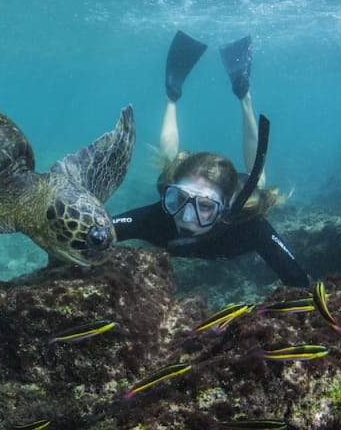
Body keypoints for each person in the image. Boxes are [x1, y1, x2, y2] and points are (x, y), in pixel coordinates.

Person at [113, 31, 309, 288]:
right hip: (182, 177)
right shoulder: (159, 216)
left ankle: (243, 95)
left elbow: (299, 281)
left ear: (225, 209)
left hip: (238, 192)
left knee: (257, 180)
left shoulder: (248, 227)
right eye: (180, 199)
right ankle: (171, 95)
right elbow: (99, 230)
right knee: (169, 162)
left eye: (205, 207)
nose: (186, 217)